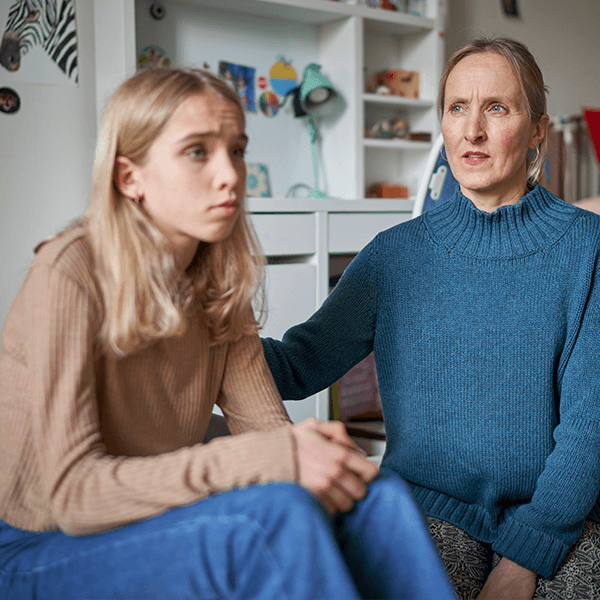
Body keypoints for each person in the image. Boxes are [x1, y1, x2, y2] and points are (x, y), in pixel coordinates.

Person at [0, 67, 457, 600]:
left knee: (378, 496)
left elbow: (267, 433)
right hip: (35, 546)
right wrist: (274, 457)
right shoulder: (68, 272)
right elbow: (73, 497)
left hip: (153, 514)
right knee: (270, 521)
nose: (231, 175)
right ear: (129, 177)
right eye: (198, 151)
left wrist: (316, 459)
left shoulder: (218, 282)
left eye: (236, 150)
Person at [262, 38, 600, 600]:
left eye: (497, 107)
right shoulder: (392, 256)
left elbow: (590, 431)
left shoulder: (589, 249)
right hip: (425, 504)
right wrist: (200, 333)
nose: (472, 131)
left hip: (556, 513)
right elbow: (298, 364)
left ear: (537, 130)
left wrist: (524, 558)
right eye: (456, 108)